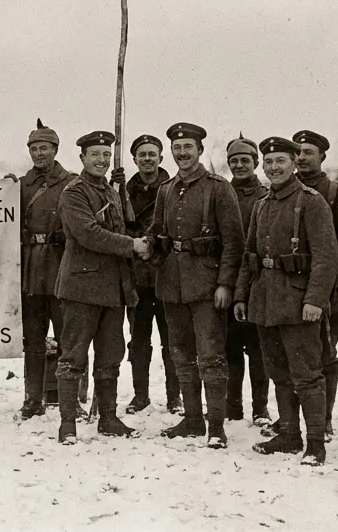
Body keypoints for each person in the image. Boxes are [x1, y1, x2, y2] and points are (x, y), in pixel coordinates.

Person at [235, 137, 338, 466]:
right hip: (265, 301)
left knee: (307, 375)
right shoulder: (263, 204)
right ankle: (290, 435)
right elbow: (248, 256)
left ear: (294, 163)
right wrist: (241, 294)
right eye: (269, 162)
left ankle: (316, 443)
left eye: (281, 161)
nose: (274, 167)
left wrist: (315, 300)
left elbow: (327, 256)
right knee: (278, 372)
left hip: (297, 304)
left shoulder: (311, 201)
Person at [147, 122, 243, 449]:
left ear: (200, 150)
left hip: (206, 285)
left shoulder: (219, 188)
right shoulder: (166, 190)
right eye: (177, 148)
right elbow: (158, 233)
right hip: (172, 285)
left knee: (211, 356)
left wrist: (225, 284)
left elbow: (233, 243)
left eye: (188, 147)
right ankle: (191, 419)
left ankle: (215, 426)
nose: (182, 153)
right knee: (180, 353)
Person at [54, 131, 151, 445]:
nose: (101, 160)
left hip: (113, 290)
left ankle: (108, 418)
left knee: (111, 355)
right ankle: (67, 424)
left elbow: (123, 224)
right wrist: (131, 245)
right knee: (73, 356)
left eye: (106, 155)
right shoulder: (74, 192)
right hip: (82, 288)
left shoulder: (111, 190)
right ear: (82, 158)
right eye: (95, 154)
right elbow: (89, 233)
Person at [291, 130, 338, 439]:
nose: (301, 158)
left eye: (308, 152)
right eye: (298, 153)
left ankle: (324, 417)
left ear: (322, 157)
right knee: (294, 354)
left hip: (326, 290)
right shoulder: (282, 191)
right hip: (290, 290)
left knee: (325, 353)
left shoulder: (337, 194)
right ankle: (292, 420)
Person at [12, 120, 73, 420]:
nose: (38, 154)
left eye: (44, 148)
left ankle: (68, 399)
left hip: (62, 271)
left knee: (67, 340)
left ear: (55, 150)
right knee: (33, 341)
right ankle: (32, 399)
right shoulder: (22, 186)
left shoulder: (71, 183)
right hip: (31, 273)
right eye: (34, 149)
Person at [121, 134, 180, 415]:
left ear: (160, 157)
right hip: (137, 278)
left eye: (152, 154)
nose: (147, 158)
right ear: (134, 159)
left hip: (167, 275)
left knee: (172, 340)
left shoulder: (173, 188)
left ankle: (175, 397)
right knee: (139, 341)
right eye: (141, 154)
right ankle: (140, 395)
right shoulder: (124, 189)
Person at [225, 136, 271, 425]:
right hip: (226, 281)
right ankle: (232, 406)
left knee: (258, 350)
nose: (240, 165)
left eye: (245, 160)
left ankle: (260, 407)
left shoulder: (266, 196)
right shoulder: (220, 193)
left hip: (257, 283)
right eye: (234, 161)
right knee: (228, 347)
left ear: (255, 163)